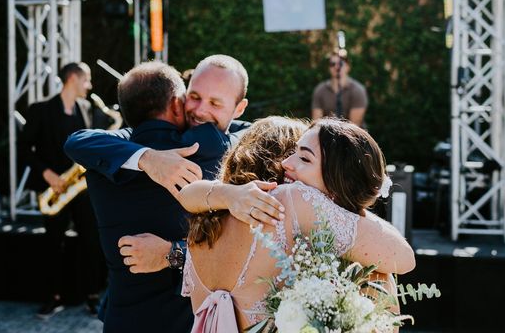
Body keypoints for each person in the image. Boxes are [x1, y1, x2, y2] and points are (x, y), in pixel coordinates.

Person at [64, 60, 263, 333]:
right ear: (176, 104)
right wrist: (149, 159)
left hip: (123, 322)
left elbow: (76, 141)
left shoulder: (109, 157)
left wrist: (142, 155)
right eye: (193, 98)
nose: (201, 111)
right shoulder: (213, 147)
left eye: (215, 104)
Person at [178, 117, 415, 331]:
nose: (286, 164)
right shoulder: (291, 200)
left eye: (303, 157)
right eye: (290, 154)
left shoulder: (202, 223)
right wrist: (348, 203)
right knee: (379, 275)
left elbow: (188, 195)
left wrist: (225, 194)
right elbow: (403, 257)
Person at [18, 62, 102, 319]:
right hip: (54, 188)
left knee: (91, 241)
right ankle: (52, 296)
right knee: (54, 244)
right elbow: (23, 149)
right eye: (86, 80)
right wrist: (47, 174)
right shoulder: (40, 110)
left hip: (80, 189)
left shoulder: (86, 109)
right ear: (73, 78)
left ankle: (92, 296)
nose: (89, 86)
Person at [312, 53, 368, 127]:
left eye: (340, 63)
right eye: (333, 64)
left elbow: (354, 125)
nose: (336, 67)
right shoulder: (320, 90)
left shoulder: (358, 90)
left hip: (353, 136)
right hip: (326, 134)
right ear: (329, 68)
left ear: (348, 67)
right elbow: (317, 123)